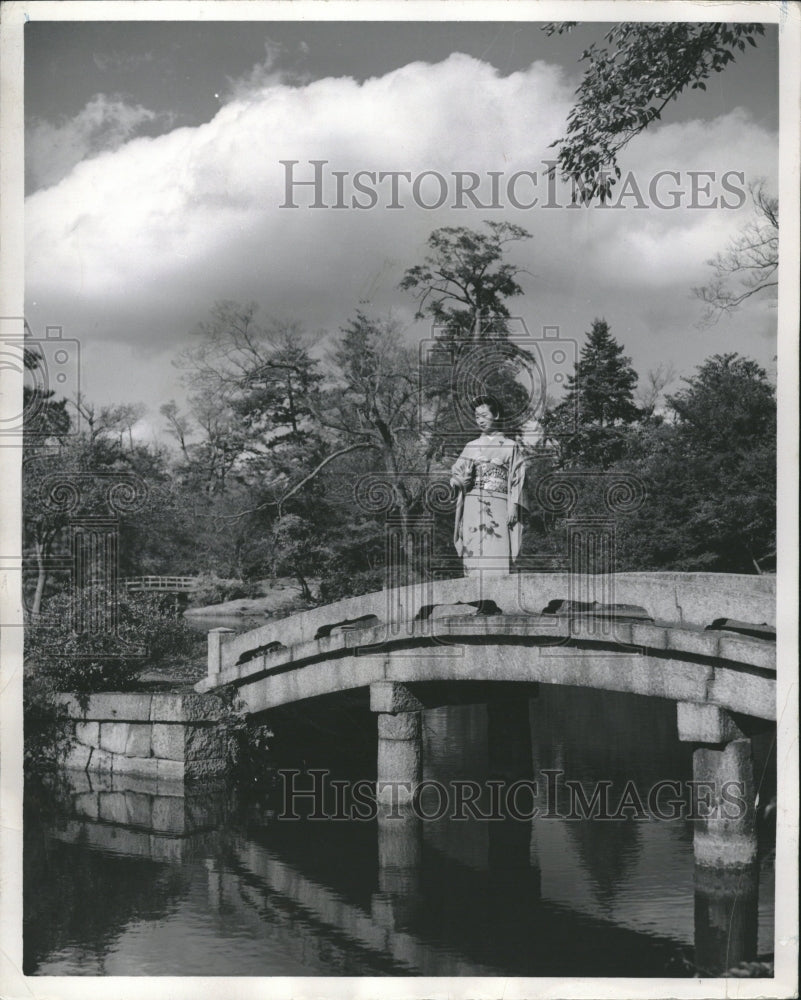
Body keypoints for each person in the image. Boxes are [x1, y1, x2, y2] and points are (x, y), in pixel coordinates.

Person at [449, 395, 527, 578]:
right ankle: (479, 599)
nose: (480, 420)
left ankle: (498, 598)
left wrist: (513, 506)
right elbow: (455, 475)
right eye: (477, 417)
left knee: (497, 548)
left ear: (496, 415)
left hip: (500, 502)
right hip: (473, 504)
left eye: (484, 415)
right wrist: (461, 481)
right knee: (474, 546)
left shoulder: (510, 446)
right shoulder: (471, 446)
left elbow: (518, 479)